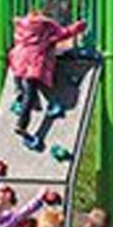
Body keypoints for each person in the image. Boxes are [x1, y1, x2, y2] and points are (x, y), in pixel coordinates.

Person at [9, 9, 86, 142]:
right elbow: (64, 33)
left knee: (22, 84)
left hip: (18, 60)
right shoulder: (44, 27)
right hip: (33, 63)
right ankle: (21, 124)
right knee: (30, 93)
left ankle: (19, 92)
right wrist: (78, 27)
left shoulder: (22, 27)